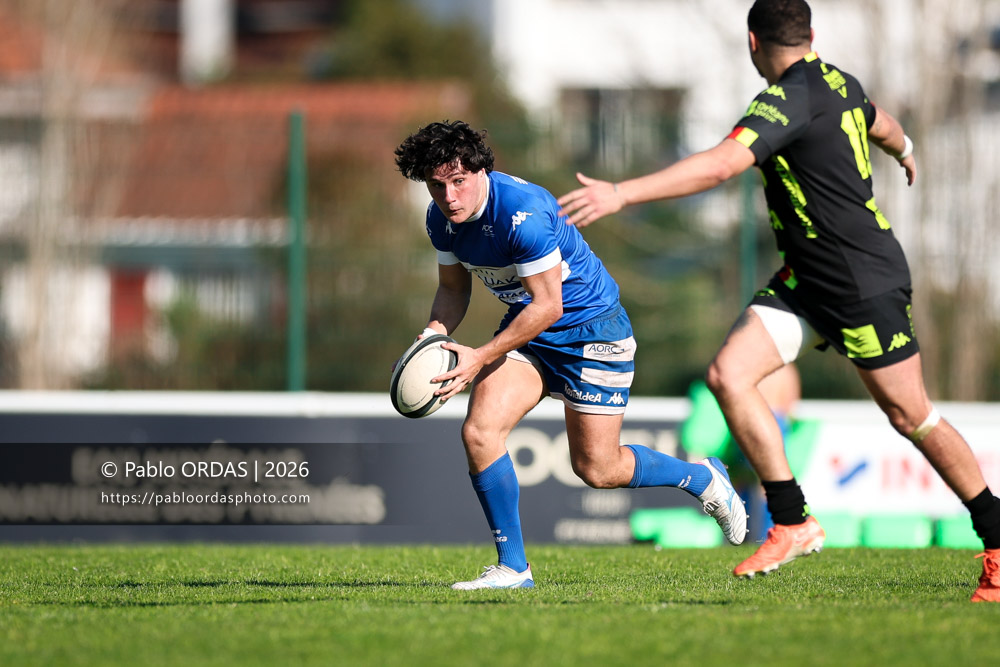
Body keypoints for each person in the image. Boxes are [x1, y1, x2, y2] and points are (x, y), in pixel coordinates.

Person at [557, 0, 1000, 602]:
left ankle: (997, 540)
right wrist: (905, 148)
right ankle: (791, 521)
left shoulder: (783, 99)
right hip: (809, 278)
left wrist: (621, 193)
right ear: (811, 36)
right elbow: (881, 122)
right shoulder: (839, 81)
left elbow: (720, 166)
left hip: (861, 283)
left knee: (911, 416)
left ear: (752, 41)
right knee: (729, 374)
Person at [394, 119, 747, 590]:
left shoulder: (523, 213)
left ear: (482, 170)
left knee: (598, 469)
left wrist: (478, 356)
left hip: (591, 332)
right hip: (531, 332)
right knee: (480, 431)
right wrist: (431, 337)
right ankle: (513, 568)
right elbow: (452, 291)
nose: (450, 196)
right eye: (438, 187)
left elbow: (549, 305)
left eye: (459, 181)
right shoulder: (442, 220)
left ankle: (701, 479)